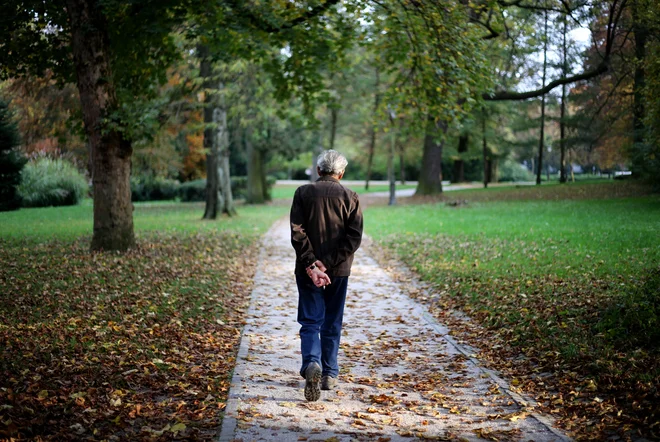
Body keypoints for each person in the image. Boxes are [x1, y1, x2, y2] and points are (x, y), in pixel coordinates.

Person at [290, 149, 363, 402]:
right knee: (332, 321)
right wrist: (328, 264)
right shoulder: (351, 197)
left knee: (310, 321)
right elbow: (353, 238)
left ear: (319, 170)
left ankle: (312, 362)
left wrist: (312, 265)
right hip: (339, 270)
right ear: (341, 173)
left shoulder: (303, 193)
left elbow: (297, 232)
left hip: (307, 270)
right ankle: (329, 374)